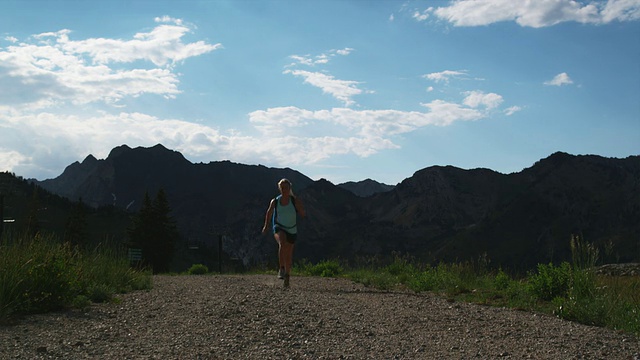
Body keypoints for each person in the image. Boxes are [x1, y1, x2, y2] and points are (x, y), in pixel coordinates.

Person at [262, 178, 306, 287]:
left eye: (286, 188)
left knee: (289, 253)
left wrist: (300, 209)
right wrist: (266, 226)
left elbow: (302, 213)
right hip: (279, 226)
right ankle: (281, 268)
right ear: (279, 189)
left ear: (289, 188)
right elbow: (269, 213)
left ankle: (287, 275)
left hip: (292, 229)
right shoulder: (275, 201)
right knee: (282, 242)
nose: (284, 190)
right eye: (282, 188)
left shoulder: (294, 200)